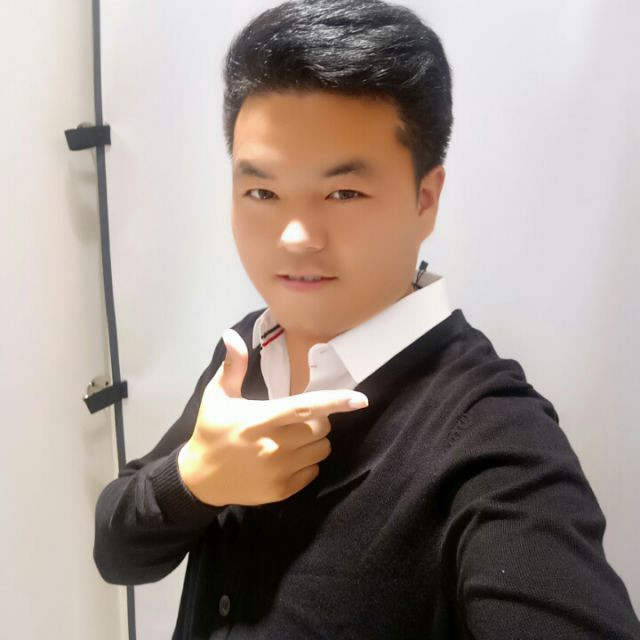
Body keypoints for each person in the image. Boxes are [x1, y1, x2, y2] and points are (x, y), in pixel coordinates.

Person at [93, 1, 640, 638]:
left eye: (343, 192)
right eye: (262, 192)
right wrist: (194, 482)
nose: (295, 237)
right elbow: (118, 552)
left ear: (425, 198)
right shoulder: (249, 348)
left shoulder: (493, 438)